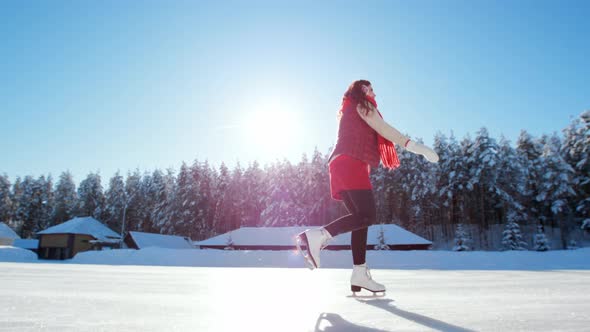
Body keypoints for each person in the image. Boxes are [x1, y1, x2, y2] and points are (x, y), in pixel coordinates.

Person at [296, 80, 439, 295]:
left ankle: (359, 274)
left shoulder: (349, 109)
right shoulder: (362, 105)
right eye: (369, 88)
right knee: (368, 216)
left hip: (341, 165)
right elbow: (384, 129)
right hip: (351, 163)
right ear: (360, 91)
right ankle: (319, 236)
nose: (374, 92)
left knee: (360, 220)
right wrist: (414, 146)